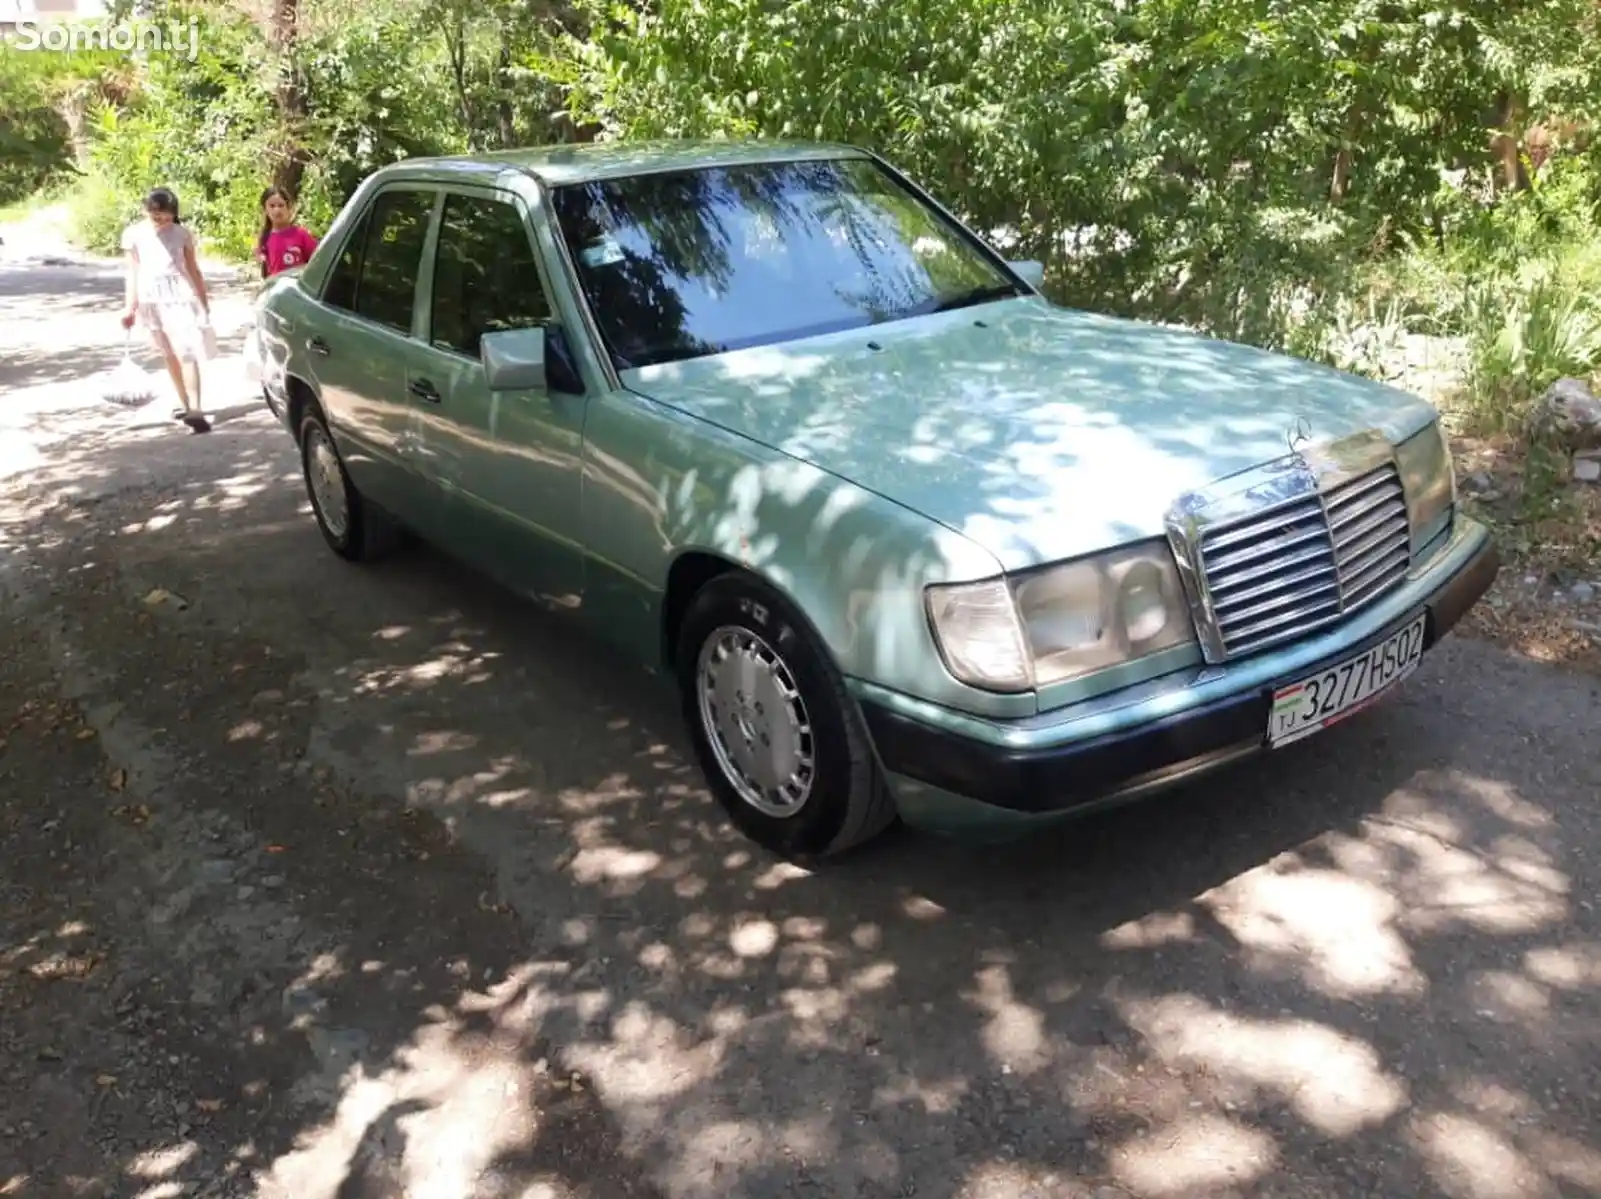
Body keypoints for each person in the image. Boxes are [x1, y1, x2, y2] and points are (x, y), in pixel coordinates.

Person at [119, 187, 213, 433]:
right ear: (146, 211)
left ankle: (196, 408)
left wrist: (203, 299)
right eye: (156, 215)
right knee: (168, 353)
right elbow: (132, 273)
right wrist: (130, 306)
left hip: (179, 296)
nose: (162, 220)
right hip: (150, 300)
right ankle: (184, 403)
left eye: (167, 216)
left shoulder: (182, 234)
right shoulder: (133, 235)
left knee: (187, 350)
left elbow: (193, 269)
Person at [255, 186, 318, 279]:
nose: (277, 210)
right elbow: (266, 273)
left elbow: (317, 260)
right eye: (272, 206)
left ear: (288, 207)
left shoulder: (301, 234)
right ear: (265, 210)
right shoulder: (265, 238)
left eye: (281, 205)